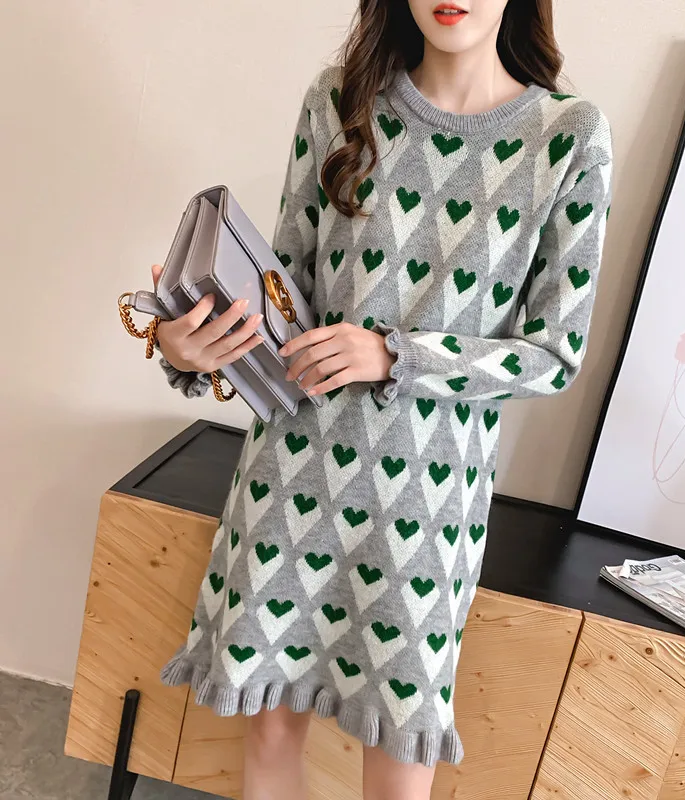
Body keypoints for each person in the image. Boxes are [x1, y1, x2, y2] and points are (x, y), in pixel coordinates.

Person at [150, 1, 612, 798]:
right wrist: (185, 347)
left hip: (428, 505)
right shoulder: (339, 102)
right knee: (270, 723)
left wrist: (395, 354)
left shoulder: (567, 136)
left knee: (400, 755)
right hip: (292, 471)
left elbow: (554, 355)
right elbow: (282, 296)